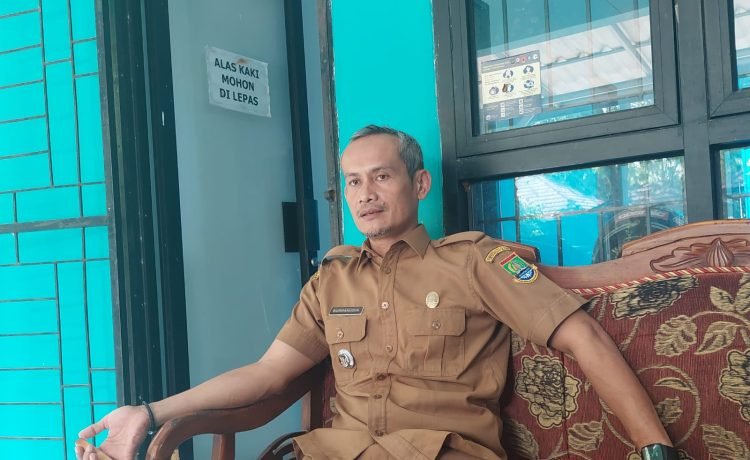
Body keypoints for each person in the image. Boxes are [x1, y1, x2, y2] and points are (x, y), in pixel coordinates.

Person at [77, 125, 677, 460]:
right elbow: (265, 376)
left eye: (382, 177)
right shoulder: (331, 279)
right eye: (353, 182)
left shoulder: (475, 261)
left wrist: (656, 450)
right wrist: (149, 413)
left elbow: (583, 336)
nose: (365, 194)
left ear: (419, 184)